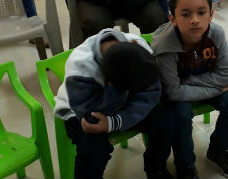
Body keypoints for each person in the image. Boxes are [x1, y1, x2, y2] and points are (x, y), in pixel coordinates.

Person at [54, 28, 176, 179]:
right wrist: (114, 94)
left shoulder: (139, 46)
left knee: (165, 121)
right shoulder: (80, 67)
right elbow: (90, 116)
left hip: (124, 97)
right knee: (95, 150)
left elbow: (150, 92)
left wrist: (114, 122)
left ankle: (156, 168)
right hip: (81, 108)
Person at [151, 0, 228, 179]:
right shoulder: (165, 46)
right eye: (185, 14)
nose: (195, 20)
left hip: (189, 84)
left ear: (210, 14)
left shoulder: (216, 33)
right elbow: (173, 92)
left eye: (201, 12)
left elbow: (225, 76)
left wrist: (188, 83)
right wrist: (218, 89)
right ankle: (185, 165)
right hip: (176, 94)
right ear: (173, 19)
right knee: (181, 115)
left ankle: (218, 151)